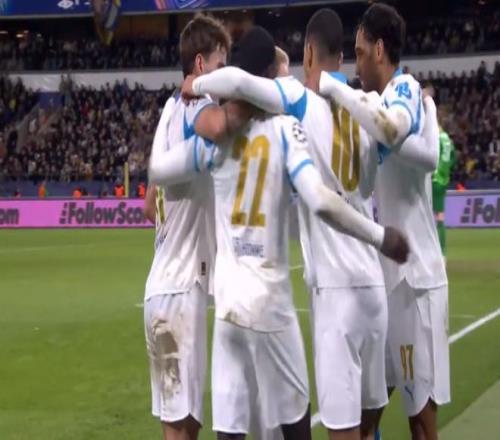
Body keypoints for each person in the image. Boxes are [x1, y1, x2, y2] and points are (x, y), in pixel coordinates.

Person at [180, 9, 431, 440]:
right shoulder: (369, 108)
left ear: (309, 52)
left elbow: (239, 83)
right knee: (370, 422)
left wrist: (197, 84)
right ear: (343, 57)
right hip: (373, 289)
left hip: (335, 293)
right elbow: (403, 144)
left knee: (341, 428)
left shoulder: (298, 100)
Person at [319, 4, 449, 440]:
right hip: (388, 279)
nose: (355, 65)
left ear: (379, 50)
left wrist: (420, 114)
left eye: (359, 52)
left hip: (416, 280)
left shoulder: (403, 89)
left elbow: (424, 155)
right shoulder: (375, 106)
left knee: (420, 417)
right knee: (369, 409)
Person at [143, 14, 246, 440]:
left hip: (166, 287)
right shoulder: (194, 106)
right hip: (180, 291)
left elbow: (148, 206)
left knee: (186, 423)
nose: (226, 74)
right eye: (221, 64)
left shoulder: (169, 111)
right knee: (181, 428)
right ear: (201, 65)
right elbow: (220, 125)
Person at [432, 120, 456, 257]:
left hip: (433, 179)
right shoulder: (448, 141)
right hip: (443, 180)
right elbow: (453, 159)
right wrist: (445, 172)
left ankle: (433, 251)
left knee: (426, 215)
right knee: (440, 216)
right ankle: (442, 252)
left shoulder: (436, 138)